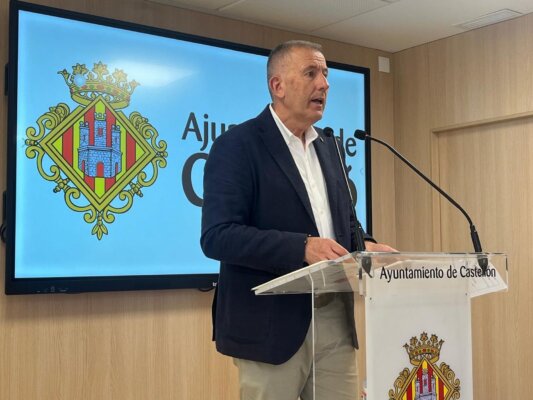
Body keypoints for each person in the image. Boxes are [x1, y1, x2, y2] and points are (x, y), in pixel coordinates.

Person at [201, 40, 394, 400]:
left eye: (325, 74)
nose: (324, 84)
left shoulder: (329, 146)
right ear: (278, 86)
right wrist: (301, 247)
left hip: (334, 319)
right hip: (270, 325)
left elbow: (343, 222)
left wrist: (365, 245)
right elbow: (218, 236)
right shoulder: (238, 145)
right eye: (311, 73)